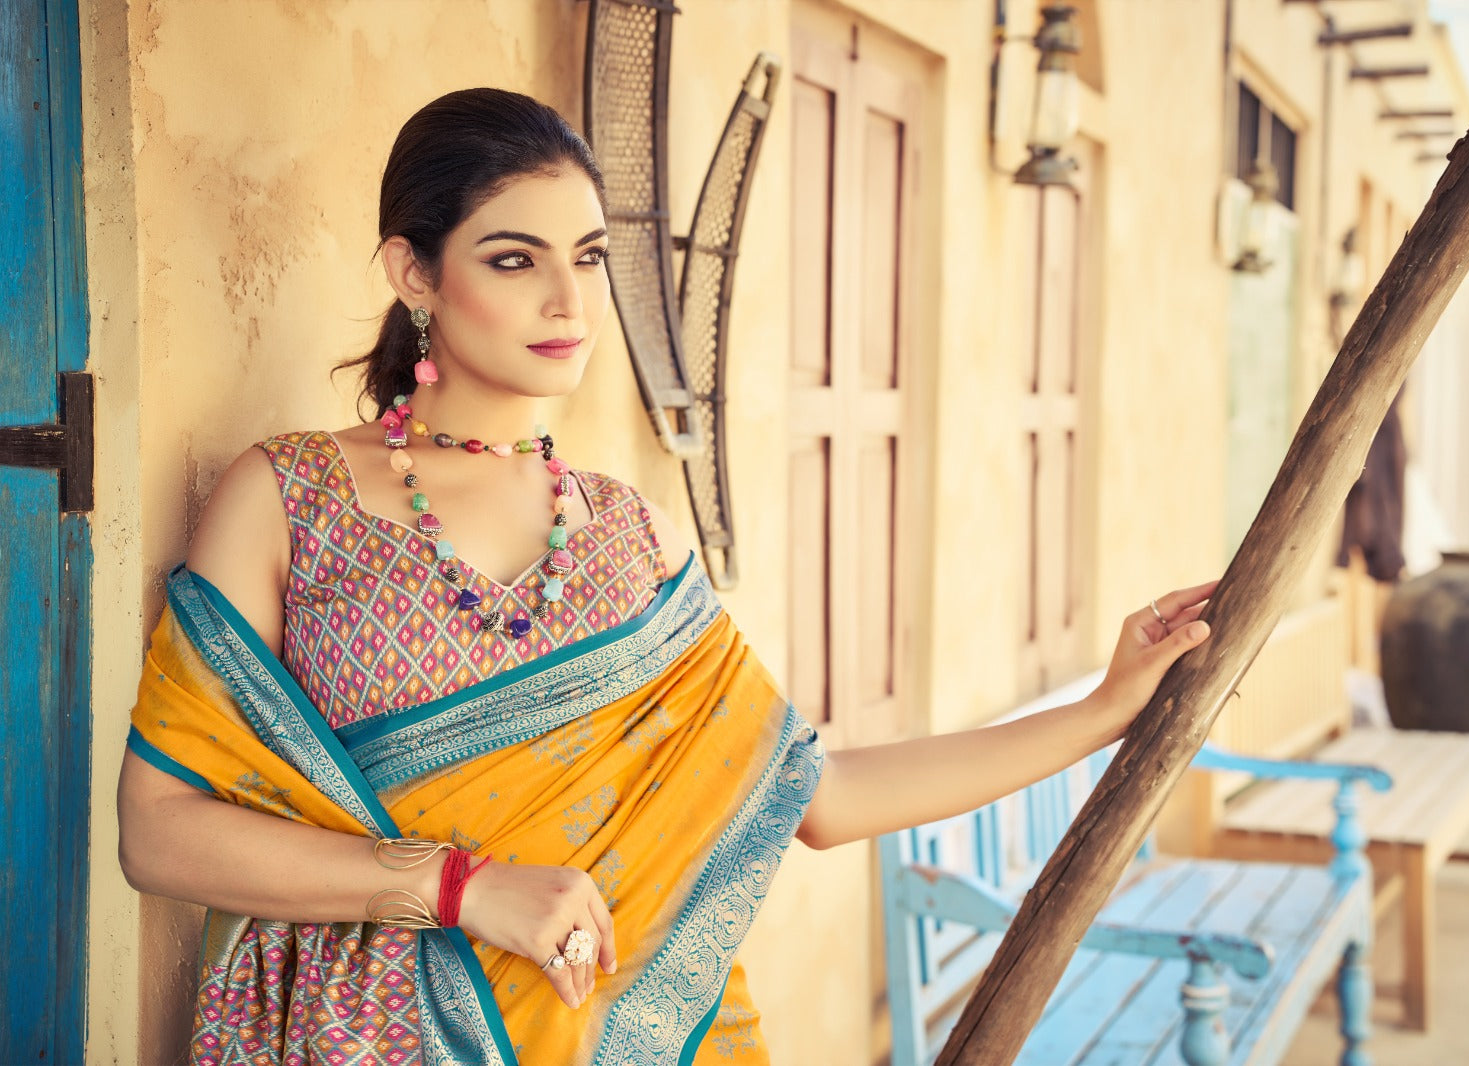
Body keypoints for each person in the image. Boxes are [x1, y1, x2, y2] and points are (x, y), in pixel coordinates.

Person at [117, 88, 1215, 1066]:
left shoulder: (627, 538)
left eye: (587, 256)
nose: (569, 301)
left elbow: (818, 799)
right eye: (515, 258)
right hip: (356, 1037)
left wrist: (1105, 708)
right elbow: (158, 830)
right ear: (415, 270)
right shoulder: (292, 500)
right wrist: (463, 889)